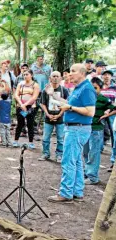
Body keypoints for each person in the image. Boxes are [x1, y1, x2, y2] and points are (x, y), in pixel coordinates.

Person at [48, 63, 96, 203]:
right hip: (75, 128)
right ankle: (77, 191)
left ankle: (65, 193)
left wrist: (70, 107)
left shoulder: (86, 88)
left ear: (82, 73)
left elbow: (90, 111)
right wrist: (55, 98)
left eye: (73, 71)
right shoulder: (78, 88)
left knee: (68, 160)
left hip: (77, 128)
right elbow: (70, 103)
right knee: (76, 161)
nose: (69, 74)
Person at [83, 77, 116, 185]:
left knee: (94, 153)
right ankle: (87, 172)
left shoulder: (103, 99)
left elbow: (114, 108)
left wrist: (106, 115)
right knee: (86, 152)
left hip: (96, 130)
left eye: (96, 88)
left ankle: (93, 177)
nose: (93, 90)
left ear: (100, 89)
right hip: (85, 128)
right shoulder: (86, 98)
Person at [38, 71, 69, 162]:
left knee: (60, 138)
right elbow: (42, 103)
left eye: (57, 76)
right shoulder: (45, 90)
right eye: (53, 76)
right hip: (48, 117)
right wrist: (47, 114)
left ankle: (59, 155)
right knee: (46, 137)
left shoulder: (64, 90)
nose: (55, 78)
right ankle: (46, 153)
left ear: (60, 78)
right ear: (50, 78)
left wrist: (60, 114)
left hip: (60, 117)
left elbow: (67, 103)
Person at [13, 69, 40, 148]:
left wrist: (26, 104)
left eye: (27, 74)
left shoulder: (35, 85)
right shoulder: (20, 84)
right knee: (20, 123)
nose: (25, 76)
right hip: (20, 107)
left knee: (30, 124)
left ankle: (31, 142)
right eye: (24, 75)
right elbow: (16, 95)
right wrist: (21, 104)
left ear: (31, 75)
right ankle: (15, 141)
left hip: (31, 107)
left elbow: (35, 97)